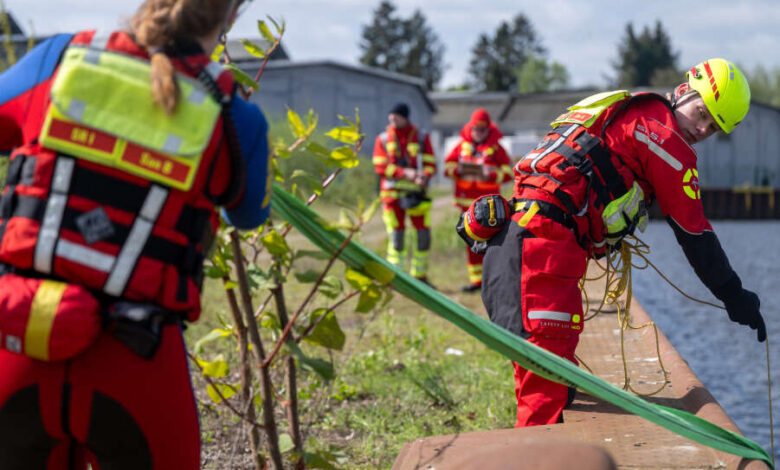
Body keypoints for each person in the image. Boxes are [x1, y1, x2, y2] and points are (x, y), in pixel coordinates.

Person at [0, 0, 271, 468]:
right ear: (231, 15)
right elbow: (247, 215)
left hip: (21, 337)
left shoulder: (57, 59)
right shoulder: (235, 117)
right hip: (139, 356)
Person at [469, 58, 766, 428]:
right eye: (702, 113)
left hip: (532, 238)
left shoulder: (630, 108)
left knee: (555, 371)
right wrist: (734, 295)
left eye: (713, 128)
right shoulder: (665, 139)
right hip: (542, 249)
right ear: (684, 90)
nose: (702, 129)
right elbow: (695, 234)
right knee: (544, 389)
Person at [444, 108, 512, 292]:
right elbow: (447, 167)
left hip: (489, 207)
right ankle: (477, 282)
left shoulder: (497, 149)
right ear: (470, 128)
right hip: (466, 205)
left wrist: (491, 174)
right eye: (476, 129)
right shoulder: (461, 146)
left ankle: (493, 281)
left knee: (492, 245)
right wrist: (457, 170)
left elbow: (508, 173)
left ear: (488, 129)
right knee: (472, 244)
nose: (478, 133)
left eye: (482, 130)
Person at [372, 103, 437, 284]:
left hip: (416, 195)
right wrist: (405, 173)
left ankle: (420, 277)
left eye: (396, 116)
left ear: (405, 117)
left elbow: (431, 164)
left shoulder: (421, 137)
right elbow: (380, 166)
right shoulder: (383, 138)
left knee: (423, 234)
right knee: (396, 236)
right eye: (391, 116)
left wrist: (424, 176)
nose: (392, 119)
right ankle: (396, 278)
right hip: (391, 196)